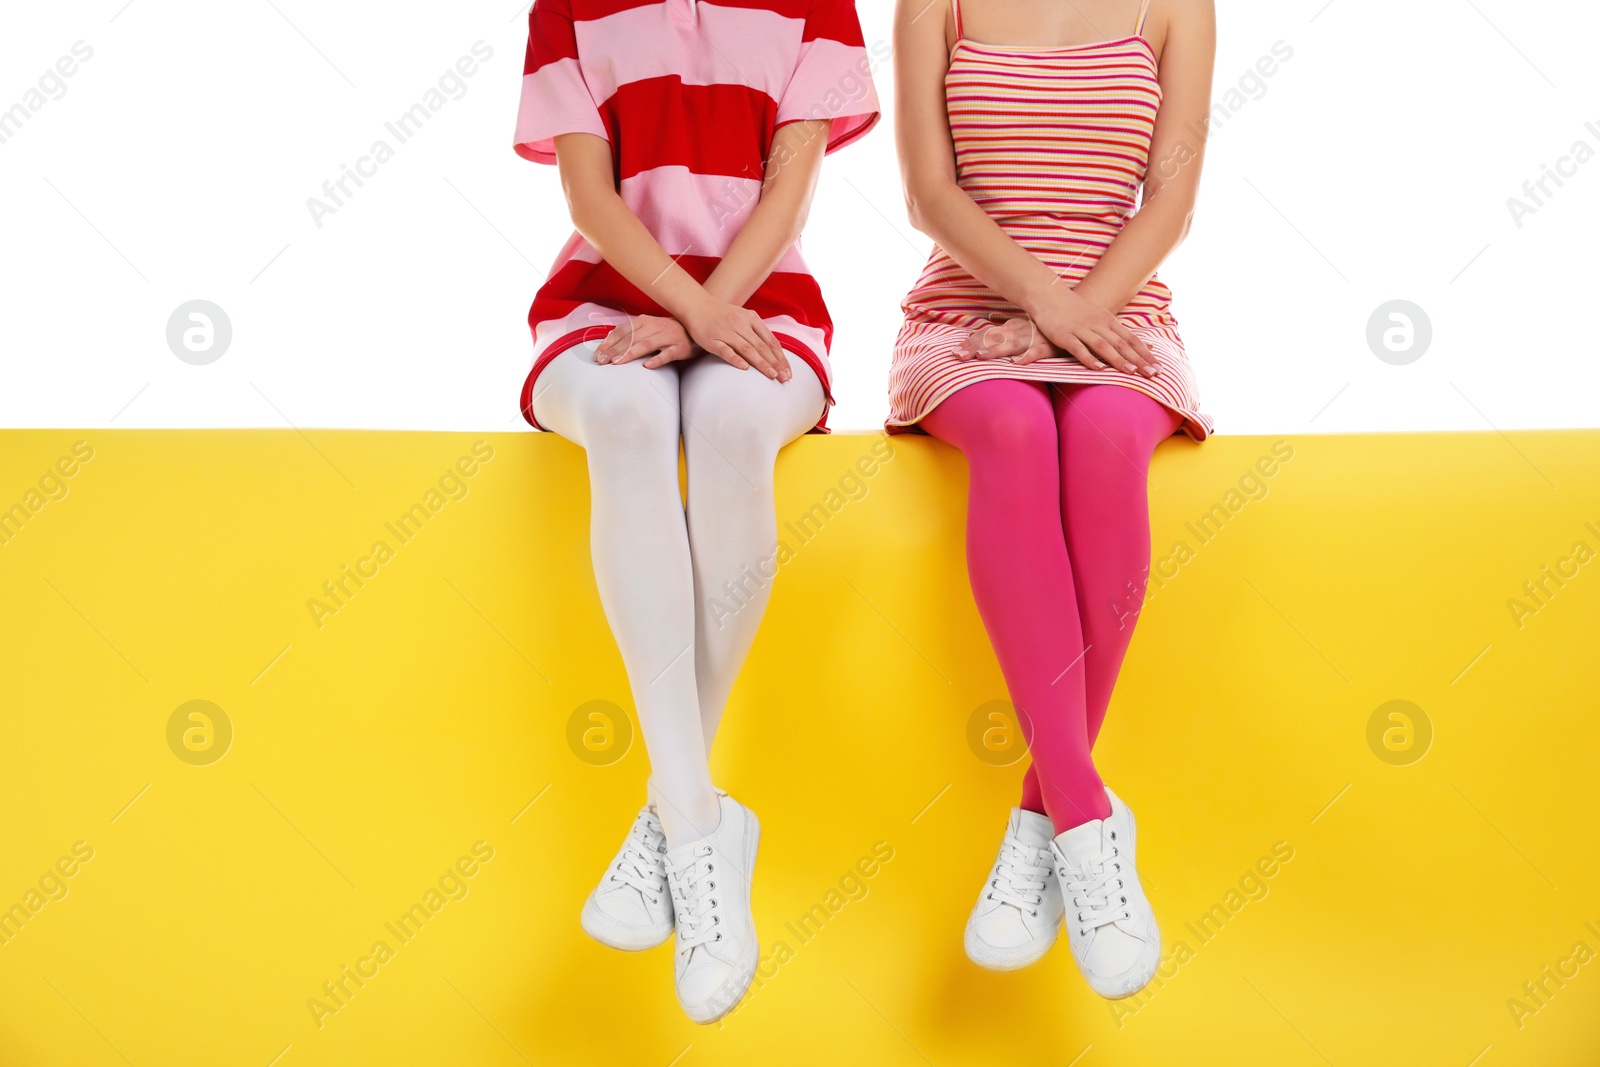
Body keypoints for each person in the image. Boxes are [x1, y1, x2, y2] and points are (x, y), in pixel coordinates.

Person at [512, 0, 878, 1024]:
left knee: (726, 431)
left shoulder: (817, 8)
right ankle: (698, 822)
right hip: (599, 307)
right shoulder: (568, 9)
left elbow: (789, 184)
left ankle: (671, 815)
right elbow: (590, 196)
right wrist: (689, 308)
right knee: (627, 422)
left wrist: (715, 314)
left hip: (766, 306)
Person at [889, 0, 1215, 999]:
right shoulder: (930, 4)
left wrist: (1079, 313)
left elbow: (1169, 200)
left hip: (1119, 311)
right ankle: (1086, 820)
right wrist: (1041, 304)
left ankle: (1039, 820)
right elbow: (929, 194)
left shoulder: (1177, 8)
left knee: (1110, 442)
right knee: (1018, 432)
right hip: (967, 315)